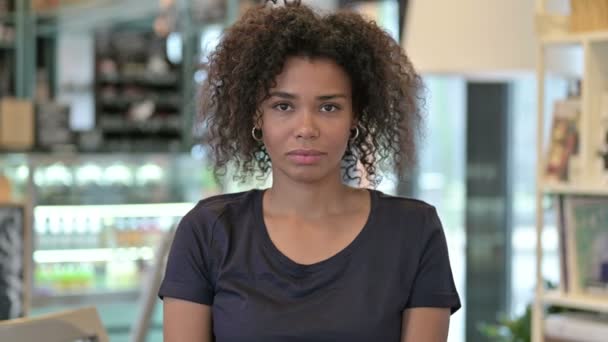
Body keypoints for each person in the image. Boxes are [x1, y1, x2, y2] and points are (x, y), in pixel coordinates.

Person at [159, 1, 461, 341]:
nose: (306, 128)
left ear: (355, 118)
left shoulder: (414, 231)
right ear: (258, 116)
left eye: (329, 107)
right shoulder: (209, 232)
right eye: (283, 106)